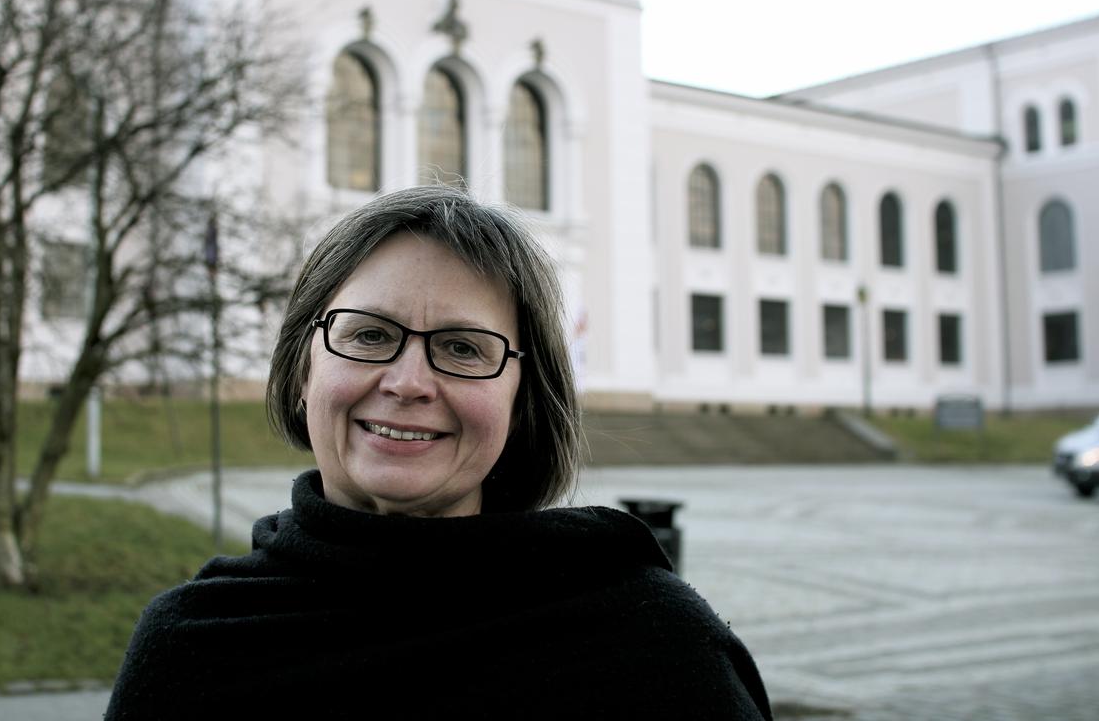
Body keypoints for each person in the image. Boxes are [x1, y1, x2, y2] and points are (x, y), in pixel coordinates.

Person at [105, 186, 772, 719]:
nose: (408, 382)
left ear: (523, 399)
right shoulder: (192, 644)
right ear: (303, 371)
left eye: (462, 348)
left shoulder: (652, 643)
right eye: (368, 335)